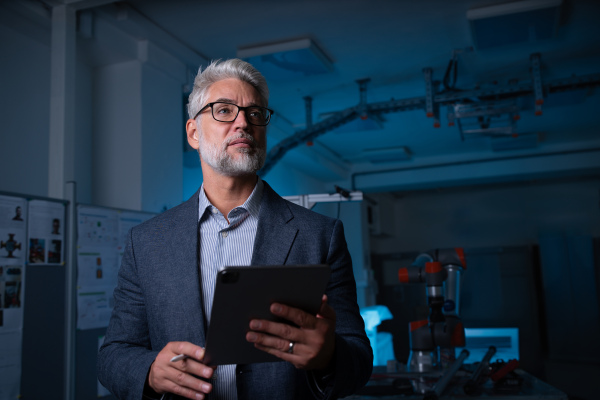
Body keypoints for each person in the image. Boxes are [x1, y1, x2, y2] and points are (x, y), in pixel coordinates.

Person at [97, 59, 372, 400]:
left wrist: (328, 356)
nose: (243, 122)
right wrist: (151, 371)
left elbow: (359, 360)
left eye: (255, 113)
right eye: (224, 110)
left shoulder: (320, 235)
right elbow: (113, 355)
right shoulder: (148, 241)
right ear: (194, 133)